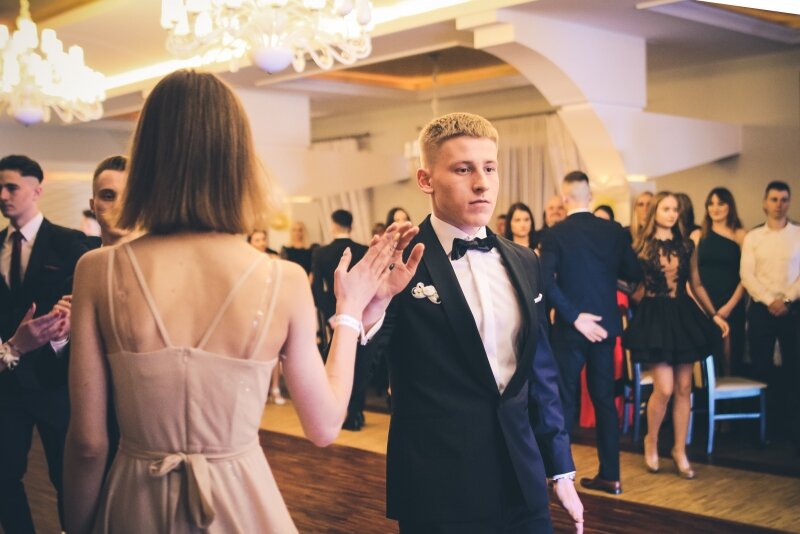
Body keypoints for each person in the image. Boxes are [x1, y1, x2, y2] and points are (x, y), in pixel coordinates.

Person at [62, 69, 420, 534]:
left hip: (135, 501)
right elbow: (324, 426)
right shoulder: (282, 278)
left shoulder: (96, 270)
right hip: (240, 503)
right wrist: (350, 313)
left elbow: (88, 445)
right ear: (237, 160)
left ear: (146, 157)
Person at [360, 112, 583, 532]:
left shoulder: (525, 260)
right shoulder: (396, 264)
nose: (482, 183)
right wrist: (363, 313)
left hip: (523, 480)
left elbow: (540, 372)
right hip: (439, 488)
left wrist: (560, 468)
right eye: (463, 169)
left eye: (490, 168)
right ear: (426, 180)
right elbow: (356, 376)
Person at [0, 154, 90, 532]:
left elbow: (84, 310)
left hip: (55, 381)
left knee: (66, 479)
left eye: (11, 187)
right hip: (6, 382)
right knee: (3, 478)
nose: (3, 195)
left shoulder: (71, 244)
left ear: (36, 190)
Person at [540, 171, 641, 495]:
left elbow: (545, 282)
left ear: (564, 198)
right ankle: (611, 476)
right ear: (591, 196)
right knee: (605, 402)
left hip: (570, 330)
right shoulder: (613, 231)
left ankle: (561, 477)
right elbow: (634, 272)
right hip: (605, 327)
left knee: (564, 401)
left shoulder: (555, 234)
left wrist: (573, 316)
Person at [624, 192, 729, 480]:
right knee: (665, 388)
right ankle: (652, 440)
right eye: (666, 208)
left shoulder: (686, 245)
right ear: (655, 211)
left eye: (675, 210)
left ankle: (679, 450)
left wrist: (714, 314)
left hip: (683, 316)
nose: (671, 214)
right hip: (654, 319)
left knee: (685, 387)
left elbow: (696, 284)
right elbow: (628, 283)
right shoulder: (640, 246)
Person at [740, 181, 799, 446]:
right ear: (765, 203)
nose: (778, 205)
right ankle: (762, 430)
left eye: (783, 199)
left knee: (793, 367)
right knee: (761, 366)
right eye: (774, 199)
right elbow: (747, 275)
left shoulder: (798, 234)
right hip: (762, 310)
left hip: (792, 308)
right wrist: (768, 300)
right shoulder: (753, 237)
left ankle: (791, 429)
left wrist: (786, 299)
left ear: (789, 202)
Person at [697, 187, 747, 376]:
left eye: (720, 203)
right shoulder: (698, 235)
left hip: (731, 302)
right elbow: (691, 276)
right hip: (703, 303)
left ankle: (730, 394)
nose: (715, 208)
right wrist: (705, 306)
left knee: (730, 360)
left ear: (730, 206)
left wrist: (729, 306)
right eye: (711, 203)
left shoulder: (740, 235)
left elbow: (746, 276)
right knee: (705, 359)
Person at [89, 155, 139, 248]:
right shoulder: (81, 256)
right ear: (92, 205)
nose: (118, 206)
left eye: (129, 197)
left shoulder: (163, 256)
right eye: (108, 197)